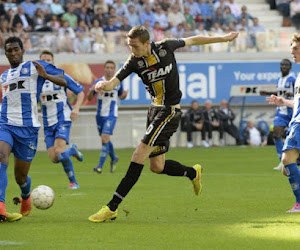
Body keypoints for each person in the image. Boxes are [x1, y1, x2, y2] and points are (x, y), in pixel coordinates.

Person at [88, 26, 239, 222]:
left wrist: (224, 38)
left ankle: (112, 207)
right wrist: (102, 85)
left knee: (139, 153)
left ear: (146, 44)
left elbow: (193, 40)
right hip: (154, 111)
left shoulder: (165, 47)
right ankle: (193, 172)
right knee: (157, 166)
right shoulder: (134, 61)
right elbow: (112, 83)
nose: (132, 50)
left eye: (135, 46)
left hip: (169, 111)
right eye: (129, 46)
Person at [0, 36, 67, 222]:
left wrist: (46, 76)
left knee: (20, 177)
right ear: (5, 53)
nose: (13, 53)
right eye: (9, 50)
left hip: (28, 129)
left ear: (22, 51)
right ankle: (1, 207)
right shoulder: (3, 77)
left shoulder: (34, 66)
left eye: (16, 49)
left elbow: (63, 79)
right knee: (1, 156)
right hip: (5, 124)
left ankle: (26, 196)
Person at [39, 50, 84, 189]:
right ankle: (73, 151)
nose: (46, 62)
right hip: (47, 122)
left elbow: (80, 92)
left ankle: (73, 182)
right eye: (43, 60)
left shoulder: (61, 75)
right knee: (54, 157)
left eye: (48, 59)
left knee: (59, 151)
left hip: (62, 118)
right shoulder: (35, 82)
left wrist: (76, 109)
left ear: (53, 62)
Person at [265, 33, 300, 212]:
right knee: (286, 168)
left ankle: (299, 203)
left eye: (295, 48)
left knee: (287, 161)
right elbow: (297, 102)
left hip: (298, 123)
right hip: (296, 120)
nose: (292, 52)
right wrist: (283, 102)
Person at [87, 60, 127, 174]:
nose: (109, 70)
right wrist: (91, 90)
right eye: (107, 67)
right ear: (104, 69)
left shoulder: (118, 82)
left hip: (111, 114)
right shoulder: (98, 82)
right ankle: (113, 157)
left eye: (111, 68)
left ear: (114, 70)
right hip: (100, 115)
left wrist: (124, 96)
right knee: (105, 139)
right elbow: (90, 98)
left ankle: (99, 166)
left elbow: (121, 96)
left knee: (105, 137)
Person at [260, 59, 295, 170]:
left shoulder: (293, 79)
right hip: (281, 112)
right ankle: (282, 161)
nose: (284, 66)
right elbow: (281, 93)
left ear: (290, 67)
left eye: (286, 65)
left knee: (294, 136)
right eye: (282, 65)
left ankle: (294, 159)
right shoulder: (279, 80)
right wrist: (267, 93)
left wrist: (292, 94)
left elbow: (296, 93)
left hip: (292, 111)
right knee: (276, 133)